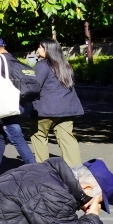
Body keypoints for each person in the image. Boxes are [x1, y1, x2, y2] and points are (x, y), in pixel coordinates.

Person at [0, 38, 37, 180]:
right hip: (18, 101)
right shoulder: (12, 59)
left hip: (6, 103)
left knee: (15, 135)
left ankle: (35, 170)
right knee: (0, 135)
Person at [28, 39, 84, 167]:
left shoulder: (42, 65)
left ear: (47, 49)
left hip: (47, 109)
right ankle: (75, 169)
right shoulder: (65, 65)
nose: (38, 49)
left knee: (38, 133)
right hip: (68, 108)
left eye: (40, 47)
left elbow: (35, 86)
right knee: (67, 138)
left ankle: (43, 169)